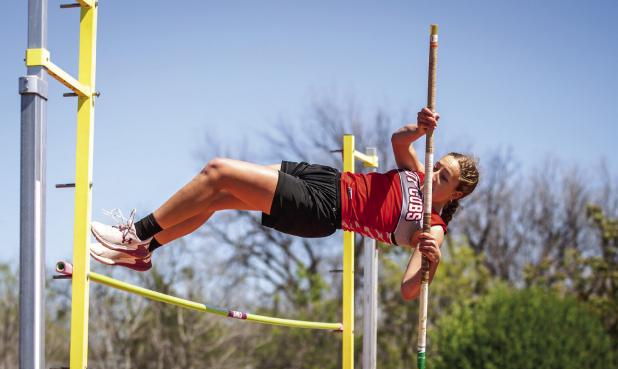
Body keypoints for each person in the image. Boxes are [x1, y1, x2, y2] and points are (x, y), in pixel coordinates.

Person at [90, 108, 479, 300]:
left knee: (218, 171)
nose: (432, 176)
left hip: (325, 210)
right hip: (323, 177)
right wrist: (419, 128)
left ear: (456, 195)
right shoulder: (416, 174)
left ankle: (134, 233)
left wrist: (432, 263)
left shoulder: (432, 226)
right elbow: (399, 142)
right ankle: (144, 251)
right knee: (217, 196)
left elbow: (409, 290)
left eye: (443, 178)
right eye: (436, 165)